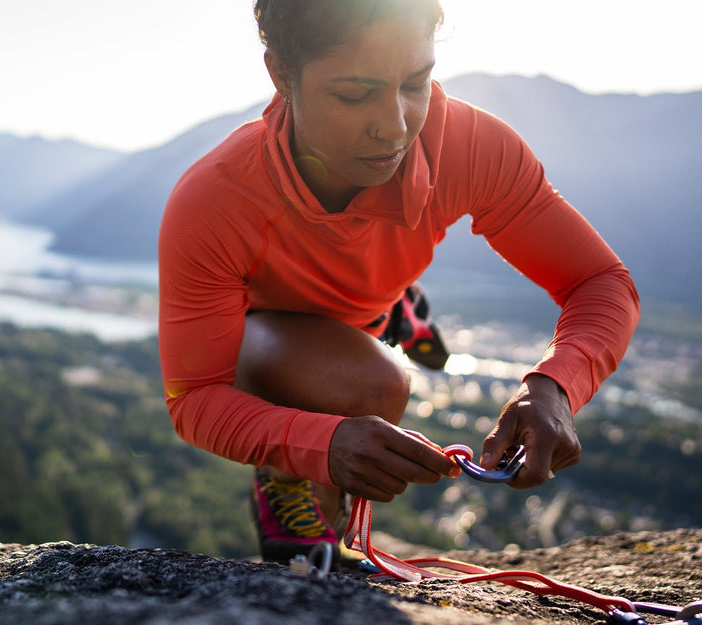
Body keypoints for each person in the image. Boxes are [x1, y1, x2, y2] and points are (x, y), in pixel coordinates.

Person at [157, 0, 640, 564]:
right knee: (373, 385)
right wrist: (318, 444)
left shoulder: (468, 143)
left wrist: (556, 385)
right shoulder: (216, 199)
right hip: (262, 329)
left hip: (364, 303)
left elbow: (600, 280)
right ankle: (291, 480)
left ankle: (392, 308)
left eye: (416, 82)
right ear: (281, 75)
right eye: (354, 94)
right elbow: (194, 398)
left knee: (370, 343)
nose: (396, 124)